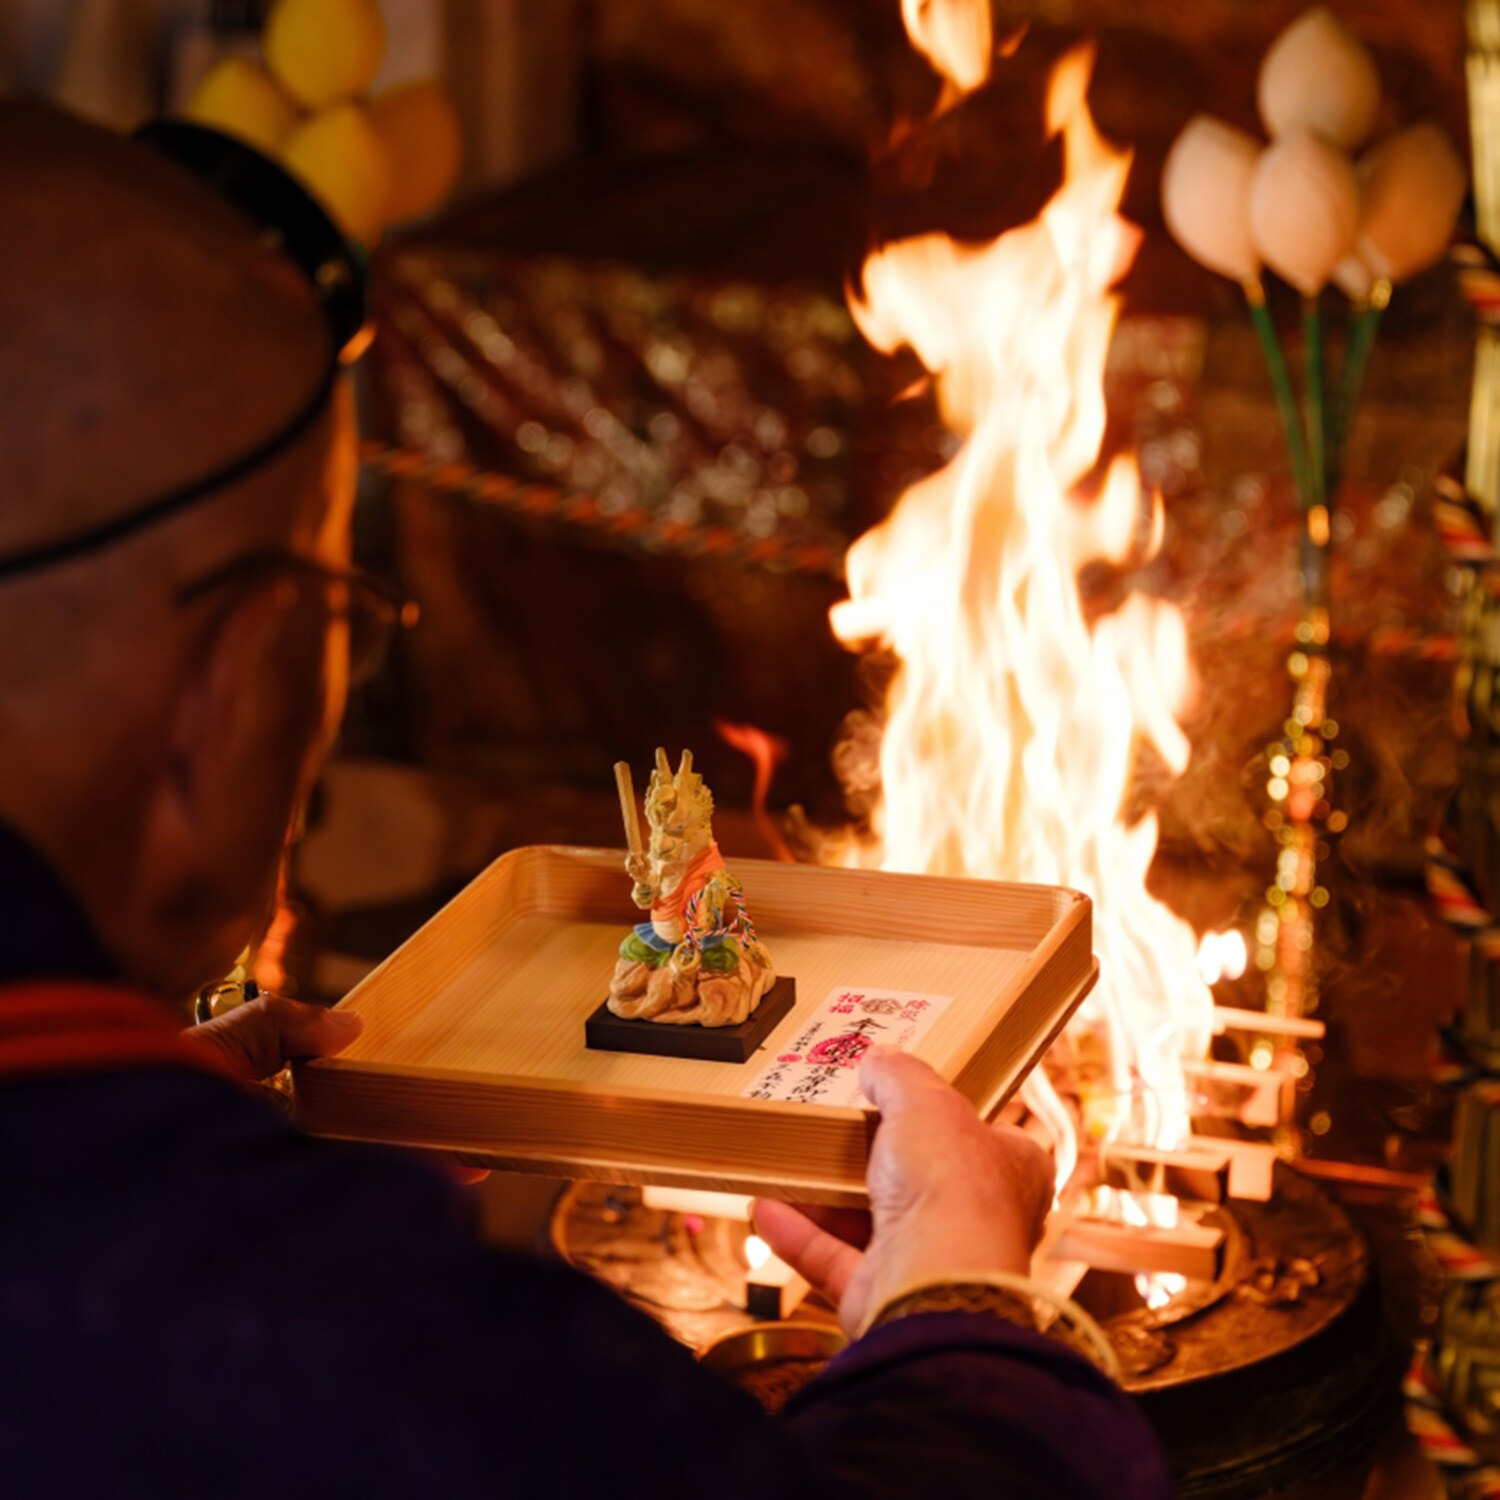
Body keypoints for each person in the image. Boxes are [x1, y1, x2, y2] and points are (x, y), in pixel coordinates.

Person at [0, 99, 1171, 1499]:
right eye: (337, 611)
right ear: (229, 690)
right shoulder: (290, 1322)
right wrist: (969, 1307)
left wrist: (159, 1105)